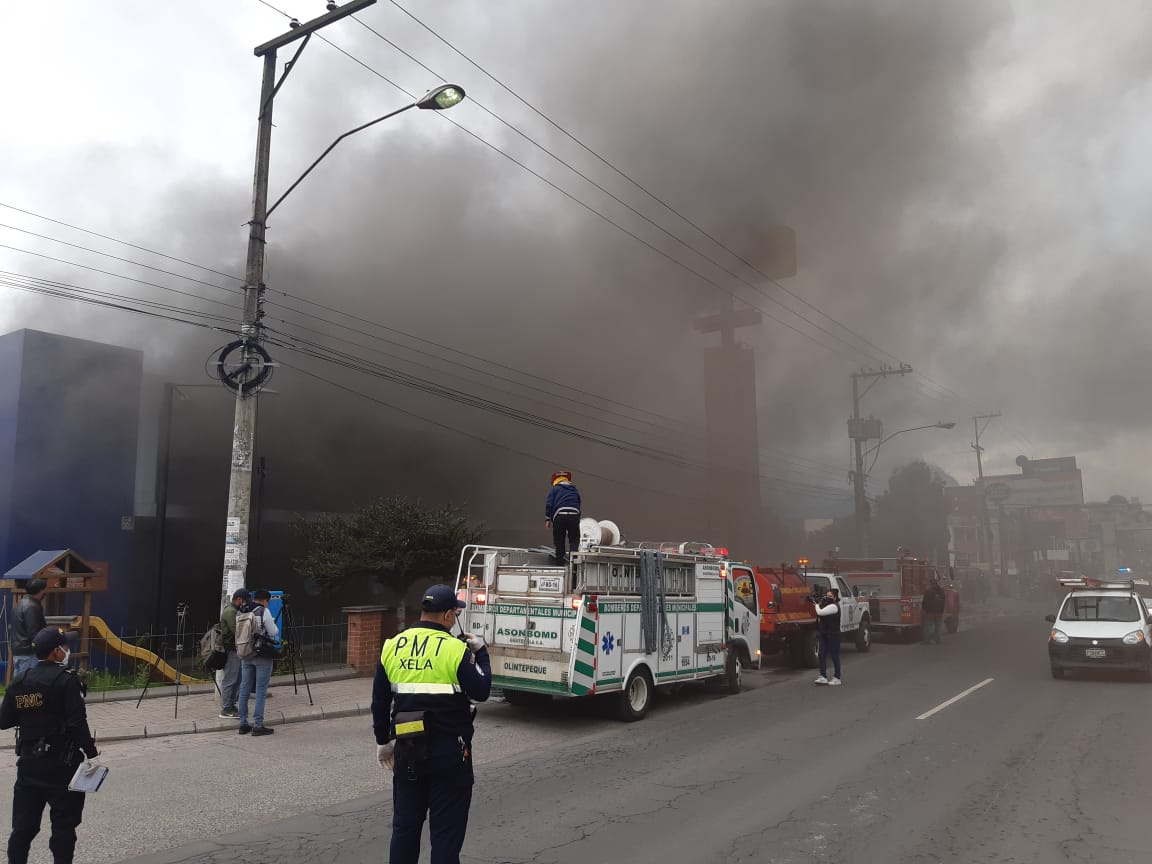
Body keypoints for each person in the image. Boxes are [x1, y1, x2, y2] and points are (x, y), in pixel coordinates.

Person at [373, 584, 491, 864]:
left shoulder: (392, 645)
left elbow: (379, 702)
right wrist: (482, 653)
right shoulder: (454, 649)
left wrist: (382, 742)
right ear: (449, 615)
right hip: (449, 755)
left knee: (405, 829)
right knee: (445, 836)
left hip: (407, 751)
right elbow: (481, 691)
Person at [0, 627, 98, 864]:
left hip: (29, 765)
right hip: (61, 767)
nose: (67, 651)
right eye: (65, 647)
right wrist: (91, 753)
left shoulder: (20, 681)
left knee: (23, 829)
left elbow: (4, 721)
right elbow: (77, 723)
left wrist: (31, 713)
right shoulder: (66, 680)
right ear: (56, 652)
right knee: (63, 828)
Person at [237, 589, 279, 737]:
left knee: (244, 689)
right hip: (261, 654)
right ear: (265, 601)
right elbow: (273, 632)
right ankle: (258, 725)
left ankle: (243, 724)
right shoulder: (263, 611)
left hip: (245, 653)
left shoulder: (241, 610)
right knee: (261, 690)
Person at [217, 588, 249, 719]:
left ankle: (231, 704)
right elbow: (237, 630)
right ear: (239, 599)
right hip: (231, 650)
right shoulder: (230, 612)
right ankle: (226, 708)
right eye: (245, 600)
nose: (246, 603)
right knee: (230, 679)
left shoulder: (234, 611)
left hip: (235, 650)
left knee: (238, 679)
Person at [11, 578, 48, 679]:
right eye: (44, 589)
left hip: (18, 650)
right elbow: (34, 632)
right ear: (40, 591)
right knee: (27, 685)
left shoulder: (19, 604)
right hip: (29, 652)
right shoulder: (32, 606)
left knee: (19, 685)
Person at [545, 470, 581, 564]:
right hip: (574, 515)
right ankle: (574, 563)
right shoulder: (574, 489)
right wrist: (577, 517)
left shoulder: (555, 489)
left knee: (559, 540)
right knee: (574, 539)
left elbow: (549, 504)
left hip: (559, 516)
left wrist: (548, 519)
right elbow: (578, 502)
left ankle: (560, 564)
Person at [812, 587, 842, 686]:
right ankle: (823, 676)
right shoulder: (827, 605)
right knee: (821, 655)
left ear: (835, 597)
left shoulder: (834, 606)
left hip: (833, 635)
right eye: (826, 596)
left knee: (834, 656)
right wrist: (819, 603)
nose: (827, 598)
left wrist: (816, 605)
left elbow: (820, 612)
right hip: (824, 634)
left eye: (830, 596)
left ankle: (837, 677)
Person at [921, 577, 947, 644]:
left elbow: (925, 602)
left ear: (931, 584)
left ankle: (927, 640)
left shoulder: (928, 591)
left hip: (930, 612)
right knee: (938, 626)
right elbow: (944, 602)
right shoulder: (941, 591)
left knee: (928, 626)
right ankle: (937, 639)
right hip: (939, 612)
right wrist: (942, 610)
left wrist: (924, 609)